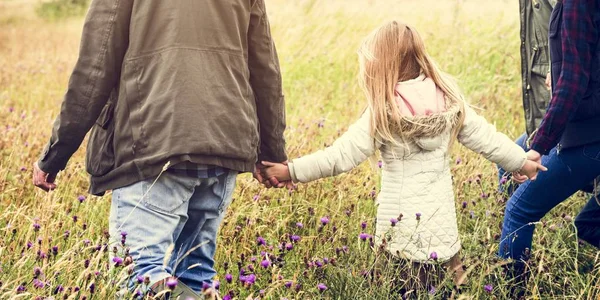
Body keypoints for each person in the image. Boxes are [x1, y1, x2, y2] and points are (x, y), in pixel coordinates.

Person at [262, 20, 545, 291]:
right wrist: (522, 162)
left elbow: (339, 157)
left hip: (399, 236)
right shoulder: (448, 98)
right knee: (456, 288)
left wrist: (290, 171)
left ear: (379, 64)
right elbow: (487, 139)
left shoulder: (384, 111)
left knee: (400, 289)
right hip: (443, 233)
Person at [32, 0, 287, 298]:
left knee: (138, 274)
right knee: (198, 275)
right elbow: (265, 69)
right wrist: (272, 152)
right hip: (225, 145)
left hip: (153, 144)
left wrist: (55, 155)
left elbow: (95, 68)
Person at [499, 0, 600, 263]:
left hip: (588, 133)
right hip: (586, 124)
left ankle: (513, 291)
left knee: (519, 212)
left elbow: (573, 83)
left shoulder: (577, 4)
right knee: (509, 159)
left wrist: (540, 146)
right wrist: (559, 71)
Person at [498, 0, 555, 194]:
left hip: (568, 118)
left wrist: (561, 66)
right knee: (508, 166)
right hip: (548, 114)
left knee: (519, 211)